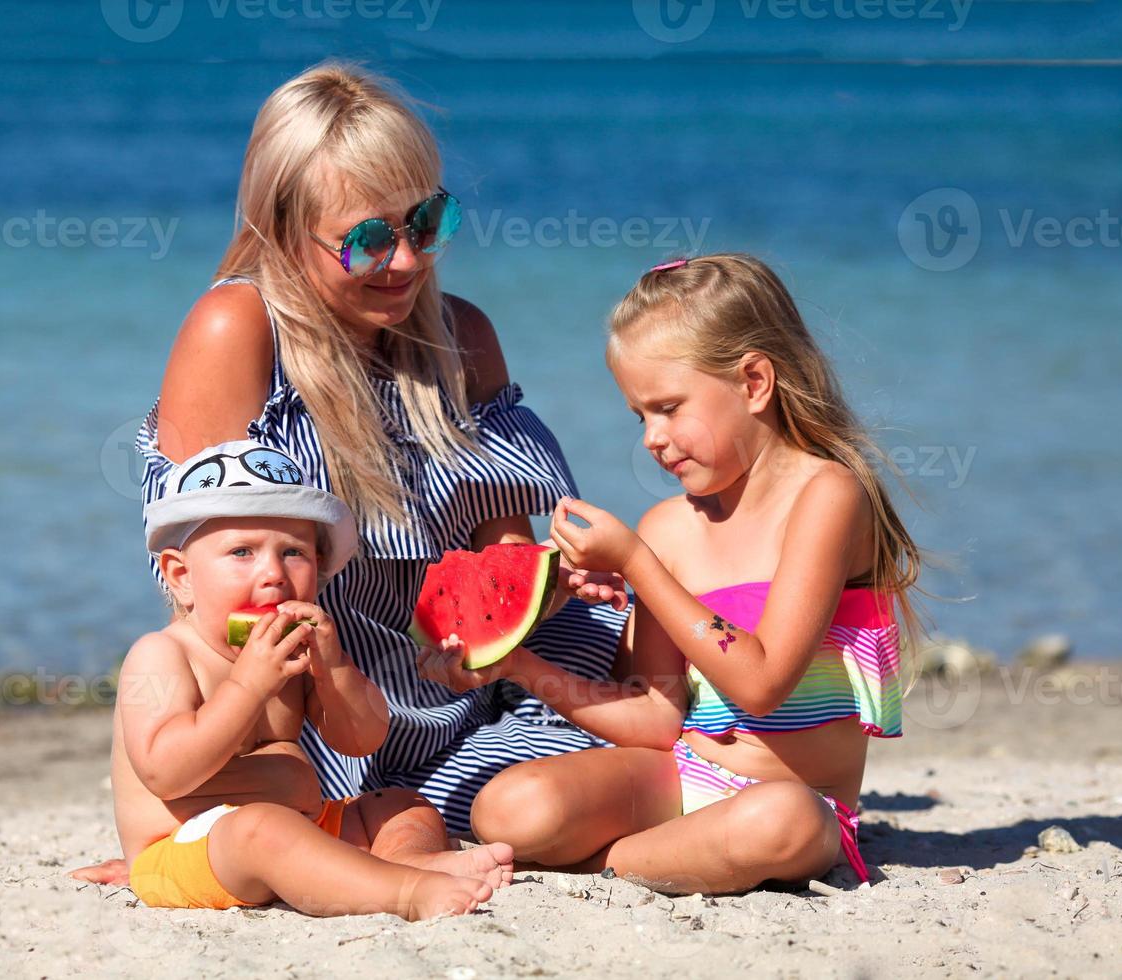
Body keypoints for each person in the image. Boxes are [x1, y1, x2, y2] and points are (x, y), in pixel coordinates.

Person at [133, 62, 628, 829]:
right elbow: (203, 579)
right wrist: (185, 821)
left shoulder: (464, 336)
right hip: (324, 725)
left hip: (480, 695)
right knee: (523, 820)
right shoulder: (236, 332)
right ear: (285, 226)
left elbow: (502, 564)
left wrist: (557, 582)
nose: (405, 261)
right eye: (366, 240)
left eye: (425, 224)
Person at [418, 254, 922, 893]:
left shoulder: (828, 496)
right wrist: (520, 667)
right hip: (681, 774)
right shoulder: (666, 527)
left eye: (668, 407)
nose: (652, 438)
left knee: (781, 822)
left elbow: (761, 683)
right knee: (506, 807)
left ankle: (608, 864)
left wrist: (637, 565)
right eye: (639, 417)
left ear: (754, 383)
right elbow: (656, 722)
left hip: (798, 799)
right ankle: (670, 855)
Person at [113, 440, 512, 919]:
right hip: (189, 847)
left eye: (293, 552)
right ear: (180, 576)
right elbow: (166, 771)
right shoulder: (163, 654)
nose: (273, 574)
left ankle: (408, 860)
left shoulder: (293, 655)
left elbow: (361, 739)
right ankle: (402, 891)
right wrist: (249, 686)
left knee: (398, 804)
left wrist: (334, 670)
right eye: (241, 552)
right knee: (260, 830)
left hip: (300, 824)